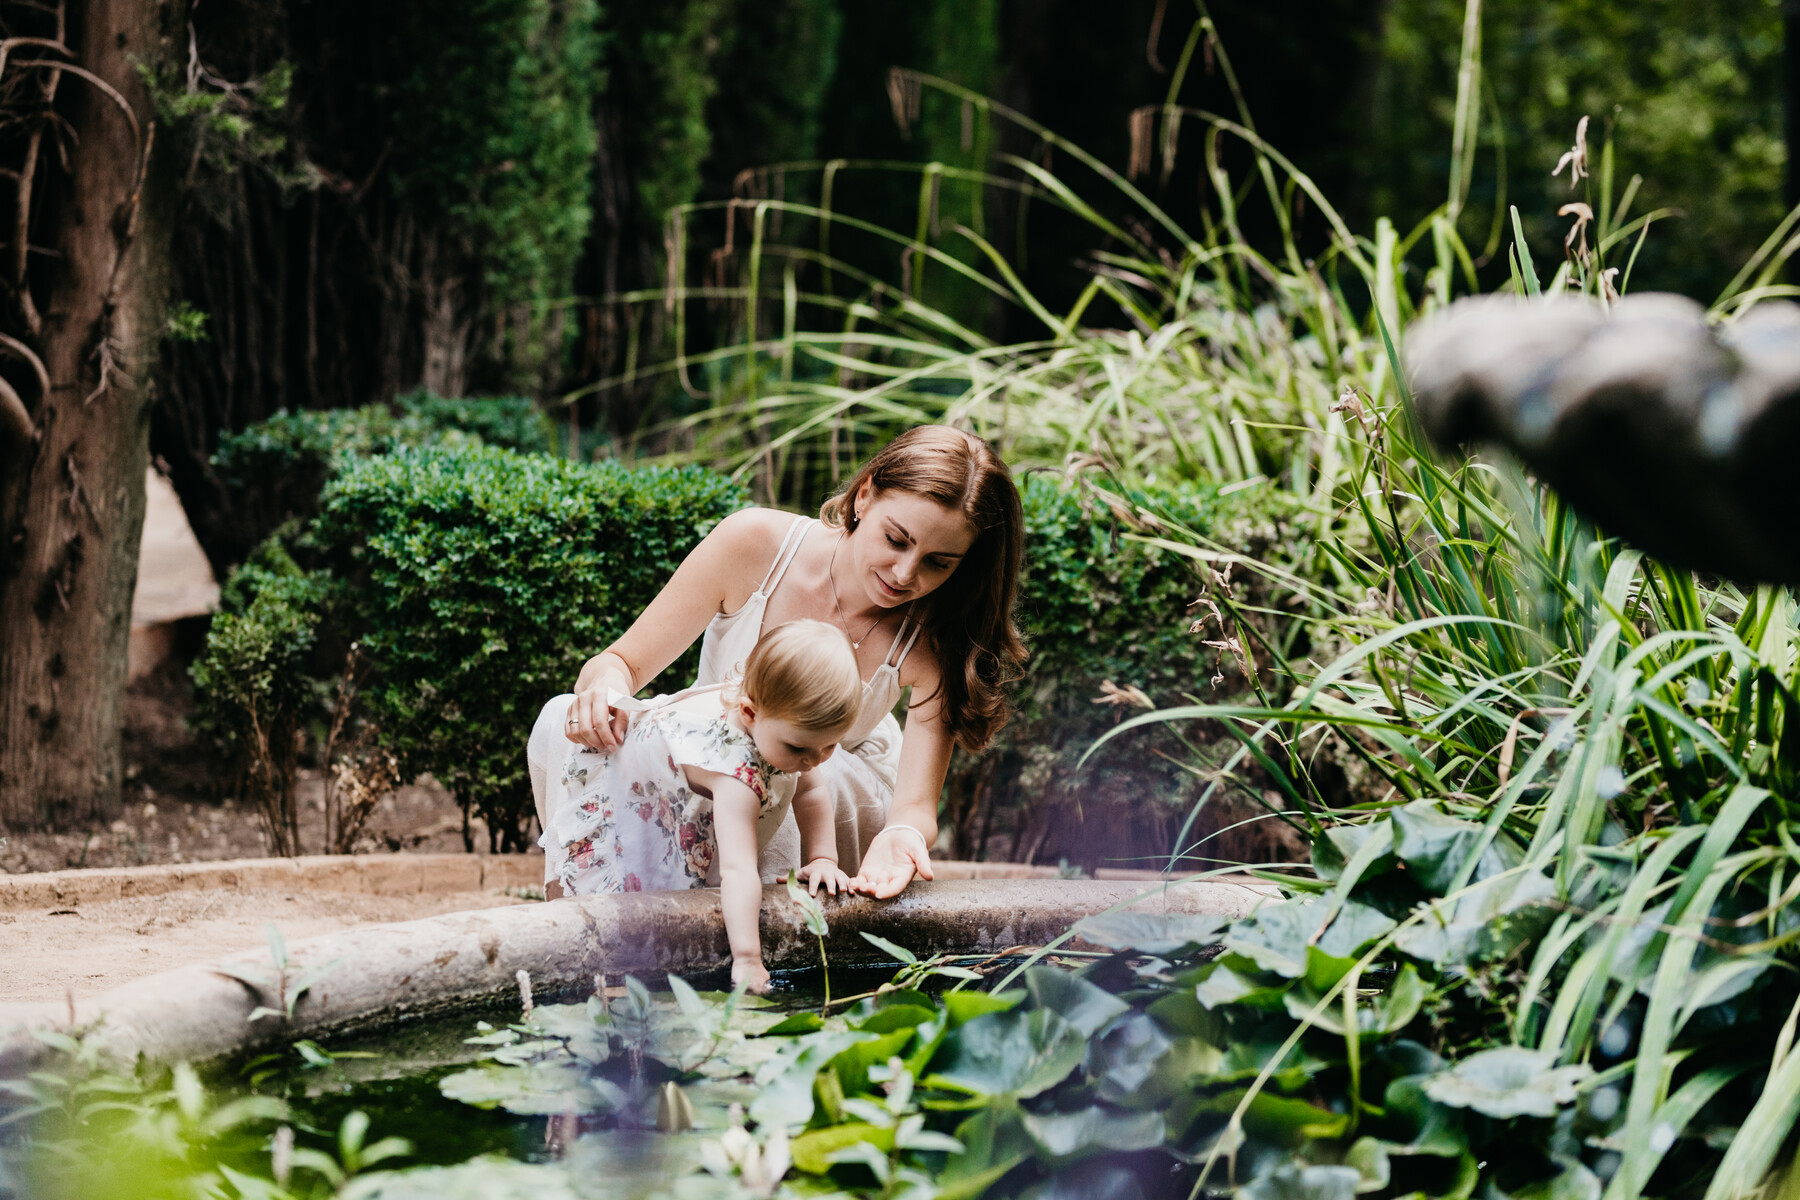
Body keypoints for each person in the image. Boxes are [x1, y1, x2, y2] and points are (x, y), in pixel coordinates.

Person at [529, 424, 1027, 899]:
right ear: (864, 495)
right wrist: (604, 695)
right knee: (559, 720)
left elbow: (914, 807)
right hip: (715, 757)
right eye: (896, 539)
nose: (904, 574)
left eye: (938, 563)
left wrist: (903, 836)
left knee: (780, 767)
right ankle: (586, 919)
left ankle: (760, 962)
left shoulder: (934, 637)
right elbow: (622, 663)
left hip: (827, 788)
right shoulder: (754, 544)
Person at [540, 620, 862, 992]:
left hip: (679, 772)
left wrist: (824, 858)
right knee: (629, 900)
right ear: (750, 713)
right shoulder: (735, 771)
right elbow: (738, 871)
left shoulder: (788, 726)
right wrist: (747, 959)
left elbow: (810, 793)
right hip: (633, 781)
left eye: (829, 747)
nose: (813, 761)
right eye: (798, 749)